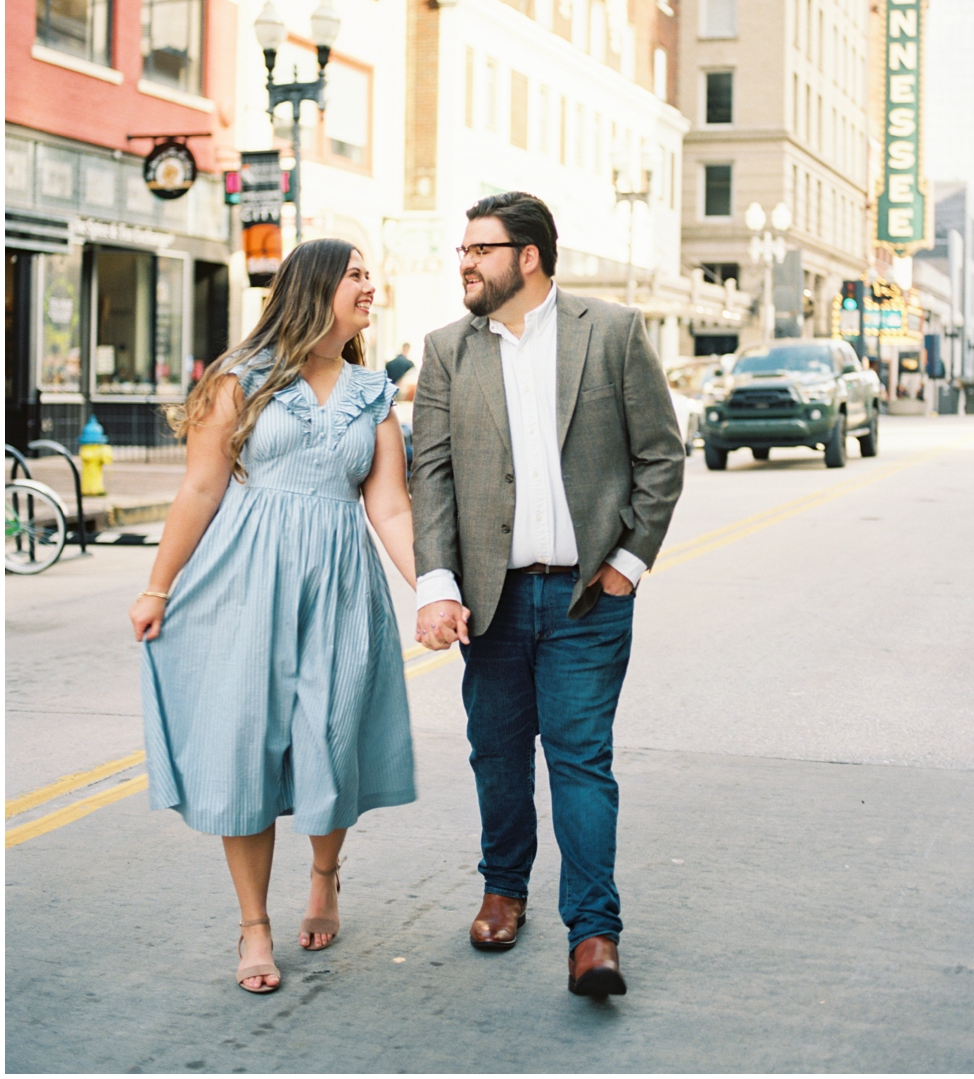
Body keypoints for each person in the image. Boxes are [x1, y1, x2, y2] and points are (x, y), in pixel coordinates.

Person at [130, 239, 445, 994]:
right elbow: (201, 490)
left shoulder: (374, 392)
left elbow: (391, 505)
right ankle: (254, 926)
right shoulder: (241, 380)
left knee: (332, 740)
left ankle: (325, 873)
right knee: (245, 748)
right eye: (358, 274)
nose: (372, 285)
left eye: (372, 272)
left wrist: (431, 587)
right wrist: (158, 587)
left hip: (339, 584)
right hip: (244, 581)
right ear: (315, 287)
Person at [411, 192, 684, 998]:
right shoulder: (446, 350)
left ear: (527, 255)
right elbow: (432, 477)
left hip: (585, 600)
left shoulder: (612, 332)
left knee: (580, 761)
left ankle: (594, 933)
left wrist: (627, 562)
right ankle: (504, 888)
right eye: (460, 250)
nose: (464, 262)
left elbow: (661, 459)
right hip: (489, 602)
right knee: (496, 755)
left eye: (479, 249)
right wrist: (438, 583)